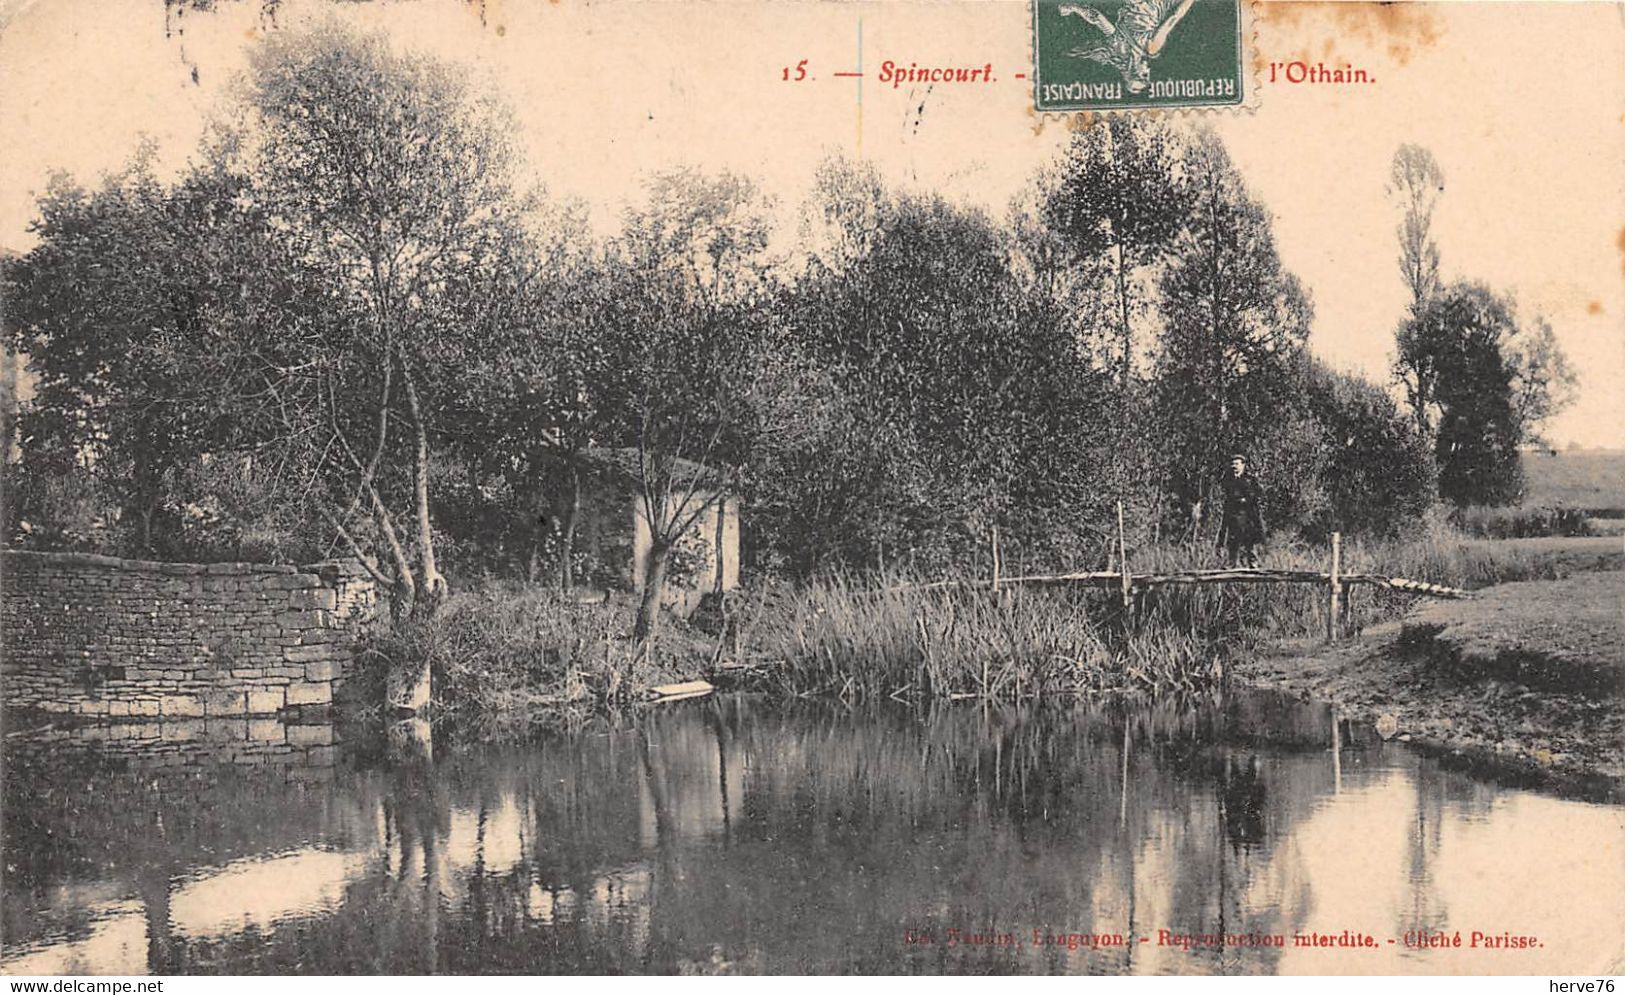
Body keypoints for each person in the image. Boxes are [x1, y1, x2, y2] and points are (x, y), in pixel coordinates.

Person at [1217, 453, 1266, 567]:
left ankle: (1253, 562)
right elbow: (1226, 494)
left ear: (1243, 465)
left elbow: (1259, 494)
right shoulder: (1227, 479)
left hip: (1248, 514)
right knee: (1233, 539)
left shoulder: (1250, 479)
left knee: (1249, 540)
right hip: (1233, 514)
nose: (1234, 466)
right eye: (1233, 464)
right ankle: (1232, 563)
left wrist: (1247, 499)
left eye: (1237, 464)